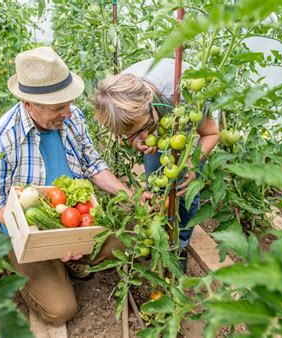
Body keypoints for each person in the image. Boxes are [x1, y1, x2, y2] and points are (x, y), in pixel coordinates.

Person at [0, 46, 144, 326]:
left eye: (67, 103)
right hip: (30, 233)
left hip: (75, 218)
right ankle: (34, 273)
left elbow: (93, 166)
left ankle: (70, 261)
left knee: (129, 239)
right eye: (57, 107)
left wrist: (131, 194)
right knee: (60, 311)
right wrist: (43, 243)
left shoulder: (72, 117)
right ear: (28, 103)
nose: (67, 112)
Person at [94, 58, 220, 270]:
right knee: (157, 188)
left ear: (150, 101)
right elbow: (130, 131)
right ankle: (161, 236)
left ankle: (180, 244)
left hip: (190, 124)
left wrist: (191, 164)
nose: (144, 136)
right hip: (161, 120)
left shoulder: (185, 95)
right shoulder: (118, 101)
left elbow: (211, 133)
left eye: (146, 127)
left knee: (186, 191)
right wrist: (136, 139)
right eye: (133, 133)